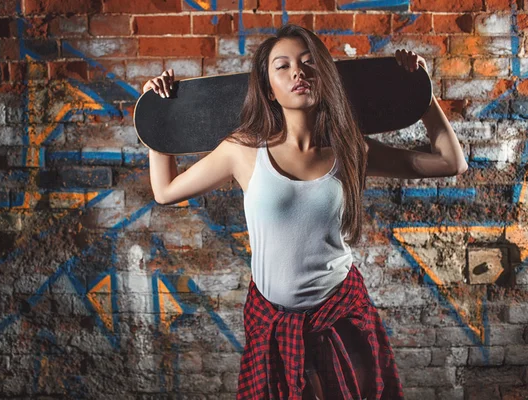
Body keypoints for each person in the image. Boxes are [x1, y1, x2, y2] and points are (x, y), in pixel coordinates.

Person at [144, 24, 467, 400]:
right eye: (282, 66)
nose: (298, 72)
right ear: (268, 89)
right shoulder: (243, 151)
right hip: (271, 323)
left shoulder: (352, 150)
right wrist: (158, 120)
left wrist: (421, 94)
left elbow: (449, 162)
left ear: (324, 77)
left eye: (308, 62)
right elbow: (165, 191)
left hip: (340, 317)